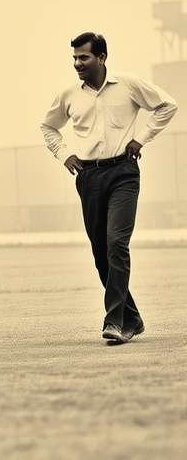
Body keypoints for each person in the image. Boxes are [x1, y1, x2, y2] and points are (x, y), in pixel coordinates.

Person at [41, 32, 178, 343]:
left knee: (117, 243)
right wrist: (64, 154)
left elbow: (167, 106)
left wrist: (141, 138)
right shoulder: (68, 95)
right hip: (88, 178)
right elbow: (48, 126)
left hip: (123, 173)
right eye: (75, 58)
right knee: (101, 253)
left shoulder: (128, 84)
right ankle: (133, 318)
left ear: (101, 58)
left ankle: (115, 321)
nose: (77, 64)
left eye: (84, 57)